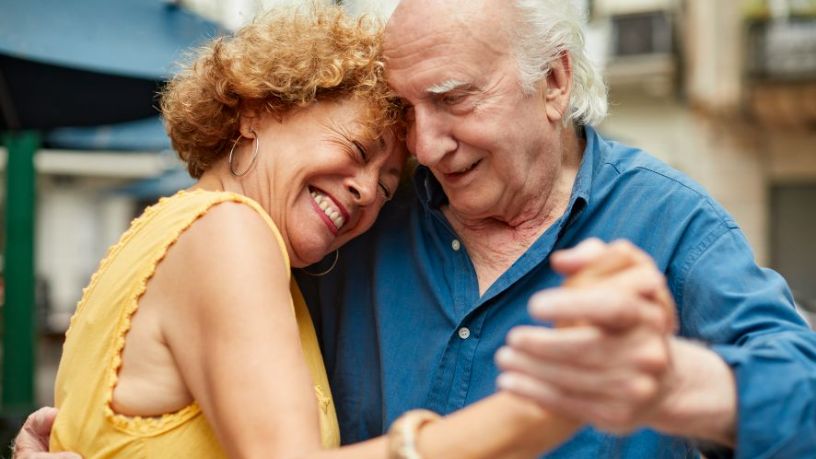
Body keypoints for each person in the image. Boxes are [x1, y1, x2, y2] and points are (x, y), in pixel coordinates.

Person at [15, 0, 816, 457]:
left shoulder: (666, 223)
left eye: (454, 99)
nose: (424, 147)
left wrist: (677, 383)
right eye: (405, 115)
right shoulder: (340, 232)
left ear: (553, 81)